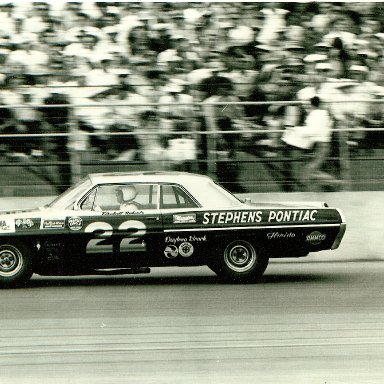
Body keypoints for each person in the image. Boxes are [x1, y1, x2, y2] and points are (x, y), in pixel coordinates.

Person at [281, 96, 340, 191]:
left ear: (311, 105)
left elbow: (312, 131)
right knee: (309, 172)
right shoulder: (323, 114)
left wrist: (295, 130)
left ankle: (335, 182)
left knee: (307, 174)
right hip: (321, 146)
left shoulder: (316, 115)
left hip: (321, 147)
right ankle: (332, 183)